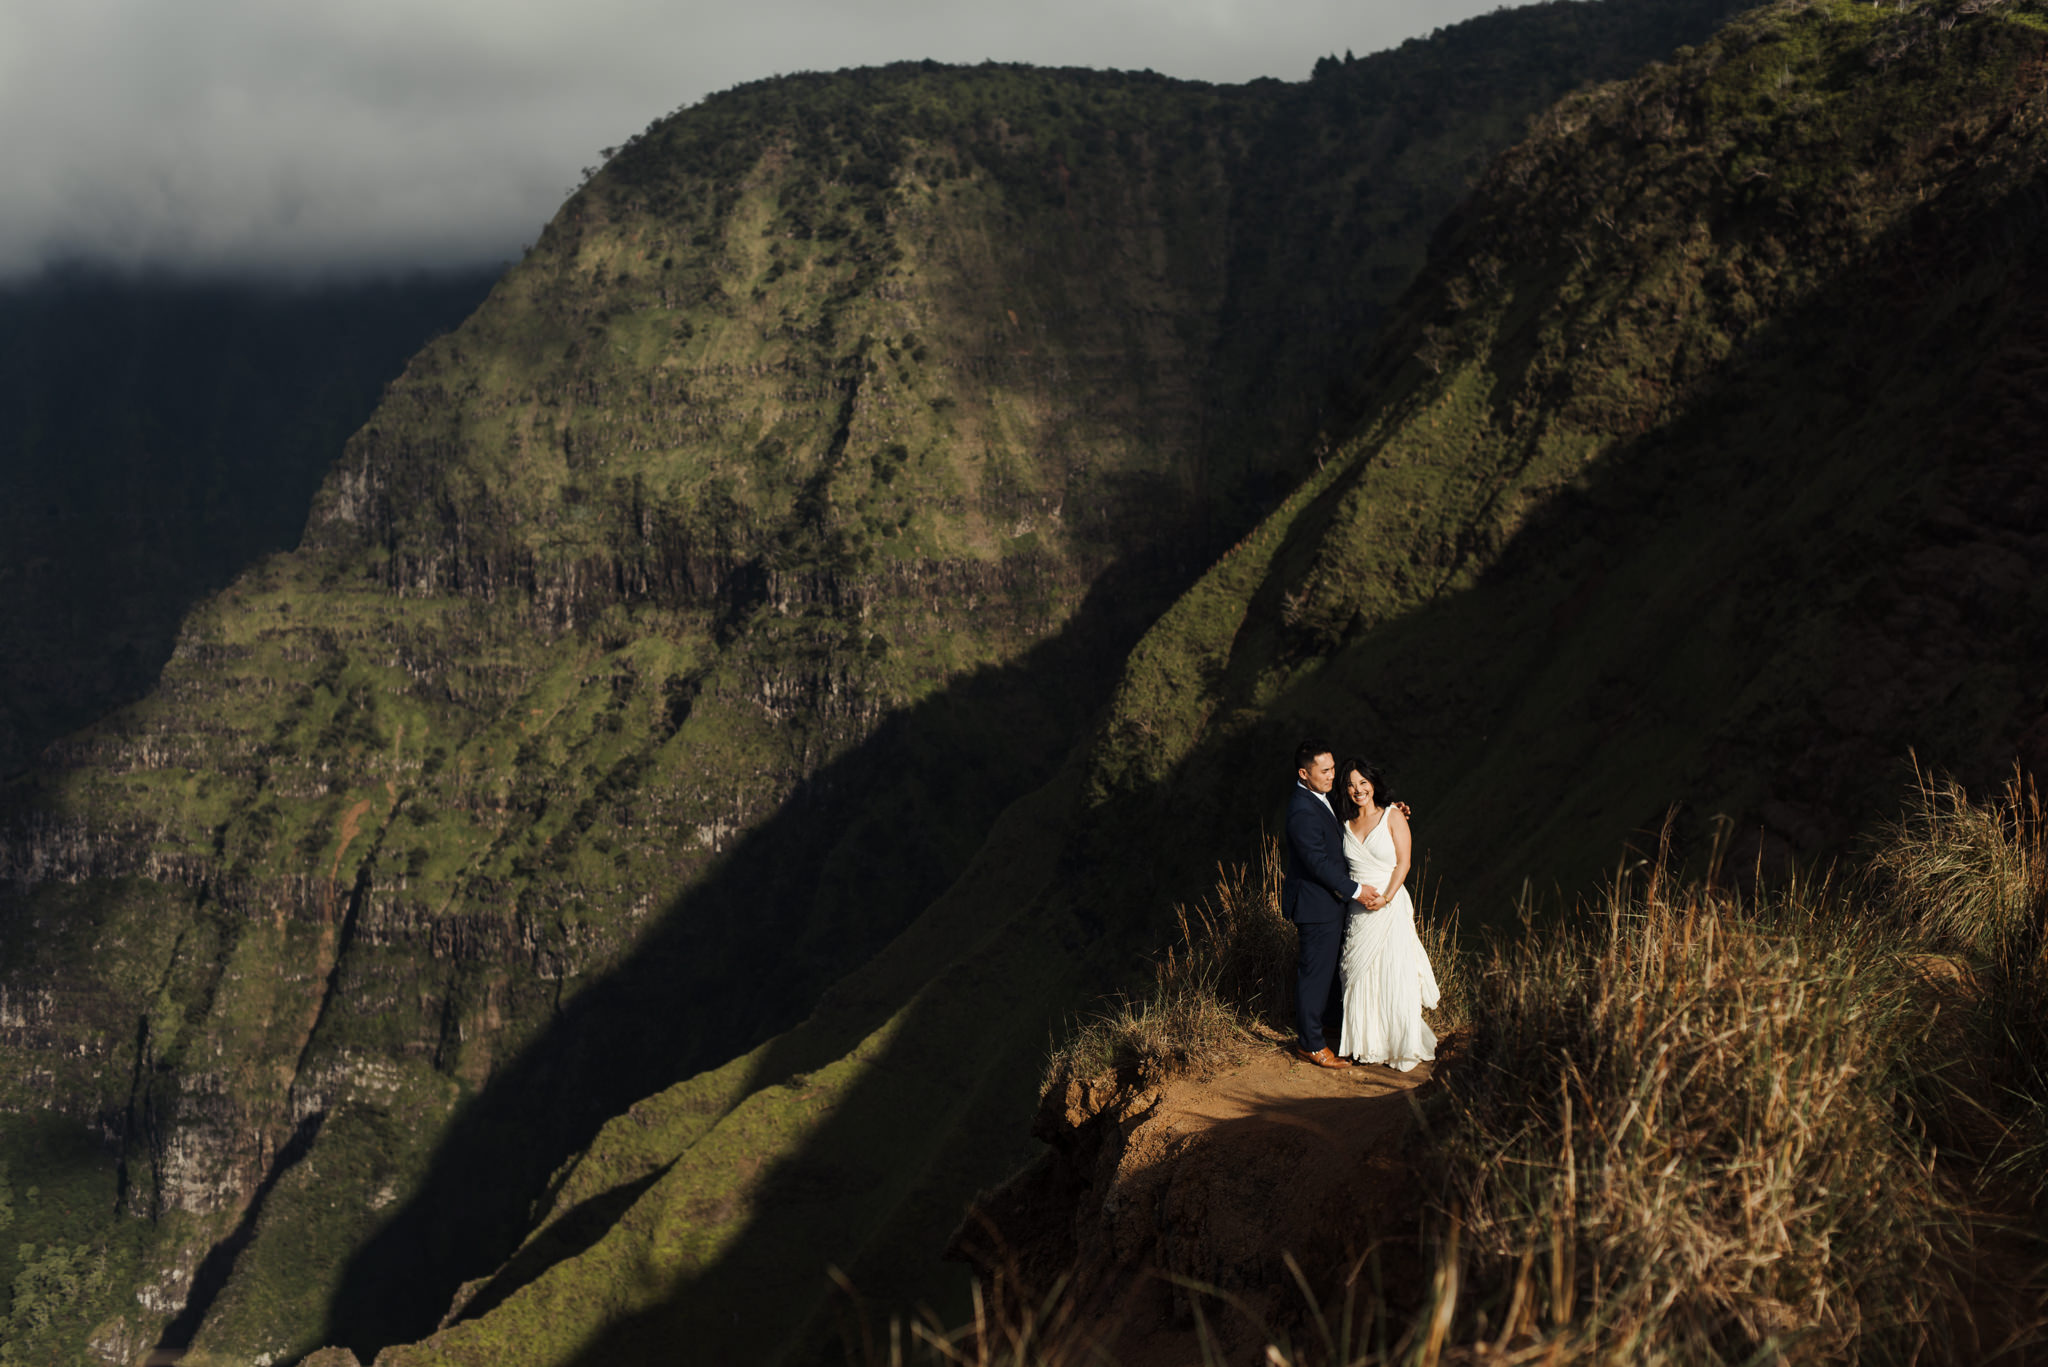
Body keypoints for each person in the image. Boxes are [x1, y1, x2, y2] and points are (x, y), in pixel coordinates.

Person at [1333, 757, 1439, 1071]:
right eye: (1351, 785)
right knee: (1357, 974)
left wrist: (1387, 898)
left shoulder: (1393, 816)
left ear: (1373, 784)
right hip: (1358, 909)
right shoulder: (1344, 823)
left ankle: (1399, 1041)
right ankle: (1366, 1044)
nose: (1357, 790)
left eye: (1363, 783)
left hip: (1390, 905)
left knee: (1394, 973)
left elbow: (1403, 863)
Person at [1281, 739, 1380, 1069]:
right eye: (1324, 771)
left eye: (1333, 768)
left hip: (1330, 904)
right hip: (1314, 905)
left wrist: (1394, 810)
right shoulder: (1301, 810)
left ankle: (1328, 1025)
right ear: (1303, 773)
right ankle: (1310, 1044)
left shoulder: (1321, 798)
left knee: (1333, 969)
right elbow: (1317, 862)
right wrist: (1355, 890)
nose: (1331, 775)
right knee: (1315, 973)